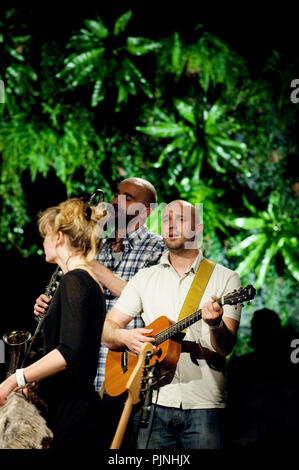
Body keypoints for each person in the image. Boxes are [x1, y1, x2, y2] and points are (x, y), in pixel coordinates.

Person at [33, 177, 165, 446]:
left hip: (121, 372)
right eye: (117, 194)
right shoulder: (99, 244)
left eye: (129, 198)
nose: (117, 201)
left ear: (147, 211)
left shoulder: (157, 248)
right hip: (79, 374)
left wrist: (90, 265)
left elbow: (147, 298)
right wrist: (52, 306)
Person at [102, 200, 242, 449]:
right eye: (166, 219)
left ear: (197, 229)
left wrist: (215, 324)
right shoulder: (144, 278)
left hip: (204, 405)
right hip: (152, 402)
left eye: (179, 219)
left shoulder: (226, 278)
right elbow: (107, 330)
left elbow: (225, 347)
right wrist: (126, 338)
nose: (170, 225)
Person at [0, 198, 106, 449]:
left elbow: (67, 353)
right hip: (73, 410)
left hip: (70, 417)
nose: (43, 241)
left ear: (59, 237)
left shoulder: (75, 281)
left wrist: (14, 380)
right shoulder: (85, 280)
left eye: (45, 235)